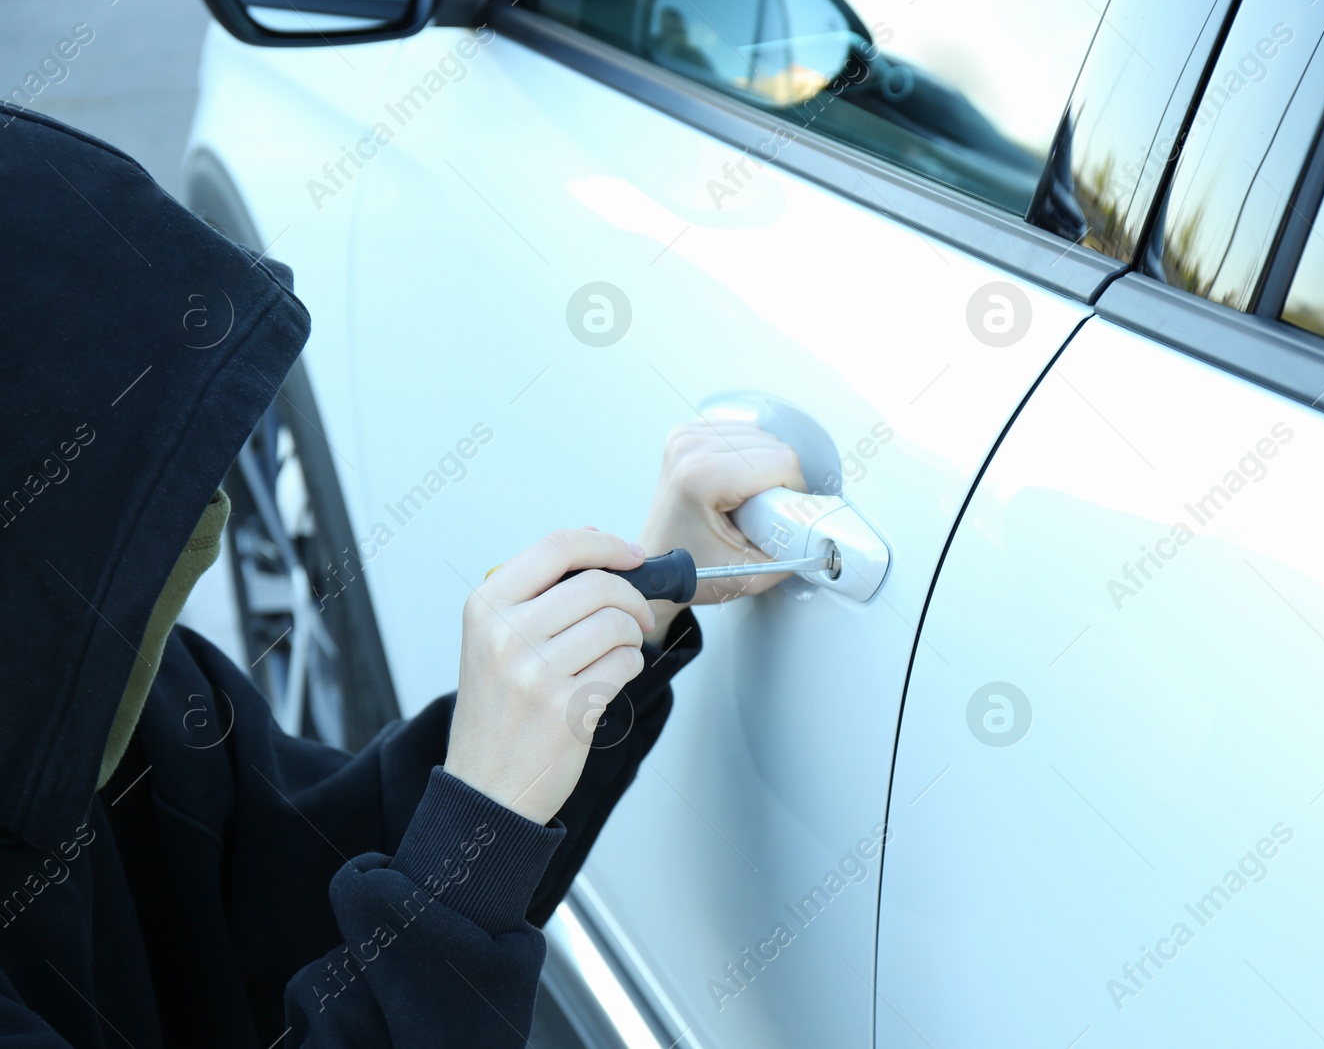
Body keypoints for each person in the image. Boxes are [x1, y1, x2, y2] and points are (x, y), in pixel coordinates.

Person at [0, 105, 804, 1046]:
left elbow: (307, 871)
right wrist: (478, 839)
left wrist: (628, 623)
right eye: (140, 499)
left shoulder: (84, 695)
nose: (205, 523)